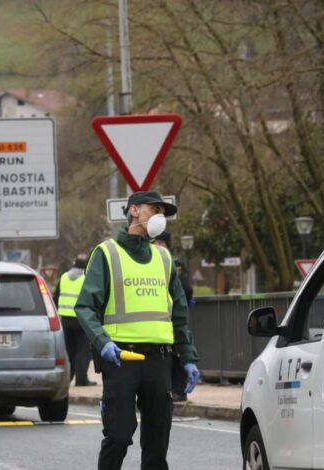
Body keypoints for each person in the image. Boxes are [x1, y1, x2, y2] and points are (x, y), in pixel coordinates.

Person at [76, 190, 199, 470]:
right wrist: (102, 342)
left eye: (163, 213)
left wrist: (189, 357)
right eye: (154, 210)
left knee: (157, 445)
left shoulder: (164, 259)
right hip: (121, 358)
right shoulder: (106, 253)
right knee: (118, 436)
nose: (159, 217)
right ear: (133, 210)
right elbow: (85, 307)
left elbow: (179, 313)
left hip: (160, 360)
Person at [153, 232, 194, 402]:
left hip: (172, 315)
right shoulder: (155, 260)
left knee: (177, 353)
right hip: (159, 317)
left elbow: (184, 287)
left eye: (156, 242)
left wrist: (177, 305)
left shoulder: (173, 262)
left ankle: (179, 390)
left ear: (163, 243)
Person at [53, 254, 96, 386]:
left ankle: (68, 378)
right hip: (81, 319)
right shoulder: (86, 278)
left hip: (65, 319)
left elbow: (56, 296)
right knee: (83, 351)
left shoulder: (64, 277)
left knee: (70, 350)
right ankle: (81, 380)